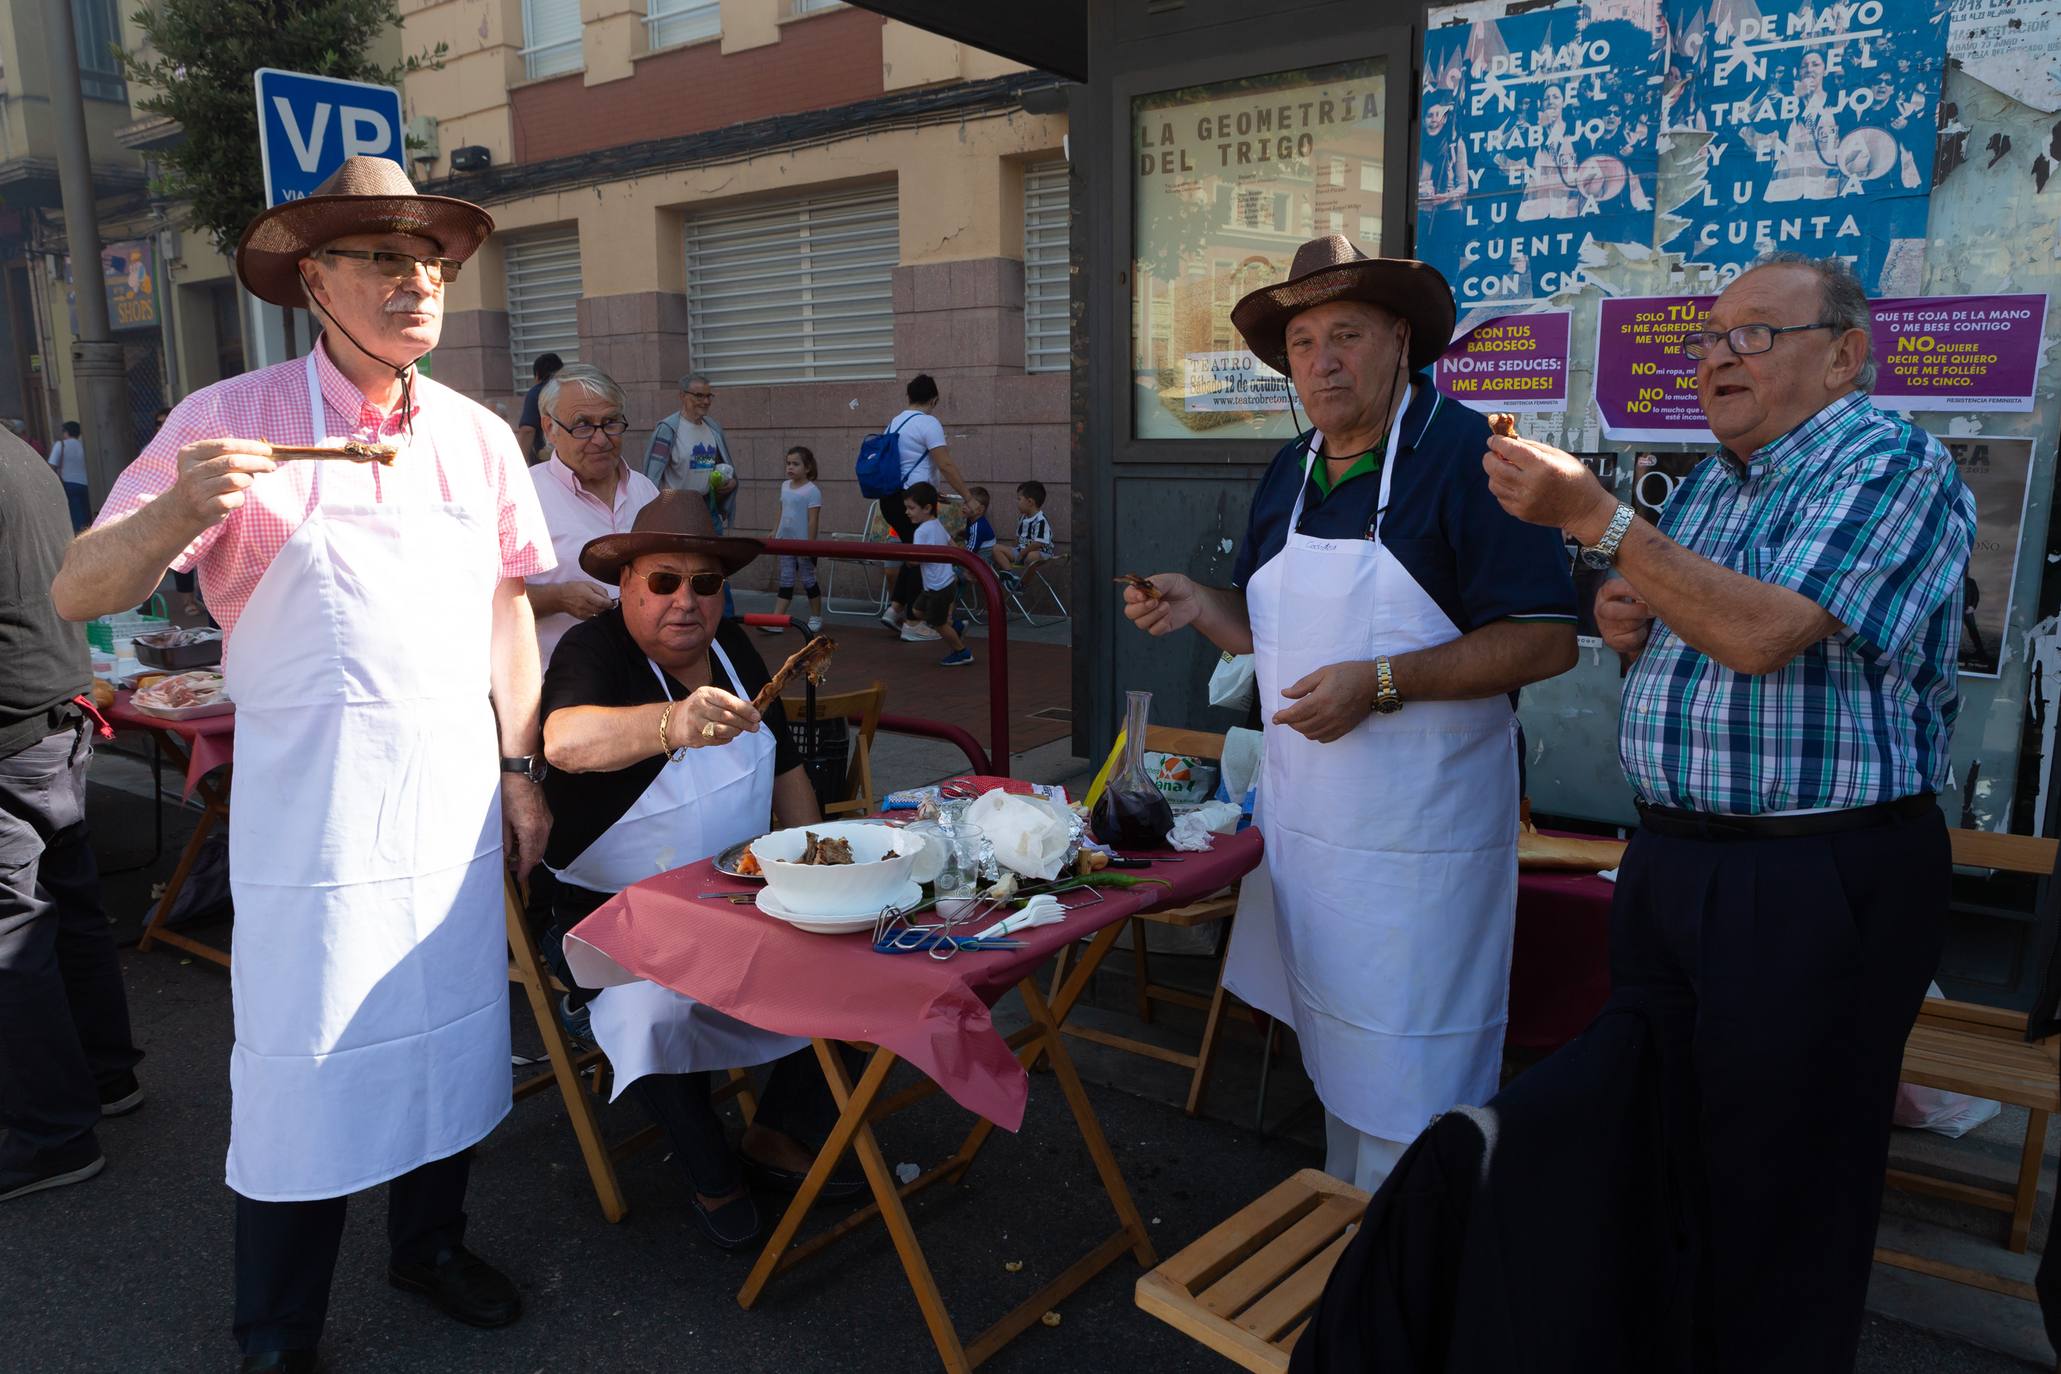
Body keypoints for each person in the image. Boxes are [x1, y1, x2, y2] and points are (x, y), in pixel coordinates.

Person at [51, 156, 553, 1374]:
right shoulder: (231, 421)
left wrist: (523, 762)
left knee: (447, 1030)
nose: (414, 281)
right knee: (306, 1062)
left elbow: (505, 612)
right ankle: (278, 1325)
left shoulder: (479, 437)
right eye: (382, 258)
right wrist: (174, 514)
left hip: (449, 805)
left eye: (427, 261)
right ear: (313, 280)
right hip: (314, 827)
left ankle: (428, 1244)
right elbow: (80, 589)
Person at [1482, 251, 1974, 1369]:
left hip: (1815, 875)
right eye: (1707, 338)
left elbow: (1760, 635)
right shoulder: (1715, 482)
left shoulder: (1890, 459)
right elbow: (1695, 618)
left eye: (1754, 335)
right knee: (1666, 1141)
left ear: (1846, 353)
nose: (1716, 357)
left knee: (1788, 1182)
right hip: (1679, 862)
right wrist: (1630, 612)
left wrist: (1604, 527)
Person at [1122, 235, 1577, 1192]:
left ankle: (1417, 1264)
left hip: (1421, 845)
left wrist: (1381, 683)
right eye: (1300, 344)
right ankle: (1354, 1237)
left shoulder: (1474, 457)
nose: (1321, 362)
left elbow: (1544, 640)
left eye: (1346, 335)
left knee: (1417, 1067)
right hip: (1312, 831)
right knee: (1334, 1049)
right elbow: (1274, 629)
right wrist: (1202, 605)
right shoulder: (1290, 469)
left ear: (1399, 341)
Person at [536, 490, 857, 1249]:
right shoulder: (596, 648)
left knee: (859, 949)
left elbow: (783, 769)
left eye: (705, 584)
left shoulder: (733, 650)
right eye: (664, 582)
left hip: (735, 893)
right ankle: (708, 1164)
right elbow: (563, 741)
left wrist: (820, 863)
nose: (686, 601)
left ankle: (777, 1133)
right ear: (627, 587)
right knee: (656, 1010)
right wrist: (668, 723)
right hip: (609, 914)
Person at [0, 429, 144, 1205]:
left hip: (16, 724)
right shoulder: (19, 452)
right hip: (53, 711)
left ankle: (53, 1133)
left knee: (14, 932)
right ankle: (105, 1074)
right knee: (69, 906)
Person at [524, 364, 657, 666]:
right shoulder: (523, 496)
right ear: (549, 429)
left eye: (610, 423)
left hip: (648, 677)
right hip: (561, 685)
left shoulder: (645, 490)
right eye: (582, 425)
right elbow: (486, 599)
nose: (600, 439)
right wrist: (558, 598)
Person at [875, 374, 972, 634]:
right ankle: (913, 623)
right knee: (925, 558)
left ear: (908, 396)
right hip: (914, 503)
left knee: (913, 555)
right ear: (934, 399)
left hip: (892, 500)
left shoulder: (895, 422)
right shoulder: (929, 423)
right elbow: (945, 464)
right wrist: (968, 496)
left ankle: (895, 609)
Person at [643, 372, 735, 522]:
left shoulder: (713, 428)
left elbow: (709, 465)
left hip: (707, 507)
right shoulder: (668, 430)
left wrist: (730, 482)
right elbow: (653, 474)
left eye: (708, 396)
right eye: (699, 396)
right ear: (682, 396)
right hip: (675, 509)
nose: (705, 401)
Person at [901, 482, 973, 667]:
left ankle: (961, 651)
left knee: (938, 623)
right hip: (941, 584)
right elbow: (952, 545)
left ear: (927, 508)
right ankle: (955, 626)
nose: (907, 512)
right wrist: (965, 564)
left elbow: (917, 560)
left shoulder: (921, 531)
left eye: (911, 508)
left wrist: (906, 559)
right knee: (917, 611)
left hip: (938, 587)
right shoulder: (936, 524)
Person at [765, 445, 824, 635]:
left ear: (807, 468)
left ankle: (816, 616)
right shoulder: (784, 486)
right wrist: (775, 530)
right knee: (786, 579)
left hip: (802, 543)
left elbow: (813, 518)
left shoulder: (812, 491)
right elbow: (781, 510)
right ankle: (776, 620)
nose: (790, 467)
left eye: (795, 464)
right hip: (785, 541)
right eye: (788, 463)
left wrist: (810, 545)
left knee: (808, 580)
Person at [991, 480, 1054, 590]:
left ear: (1030, 502)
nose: (1017, 502)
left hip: (1041, 553)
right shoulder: (1022, 518)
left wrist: (1022, 553)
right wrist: (1013, 550)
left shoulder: (1041, 520)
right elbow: (1017, 537)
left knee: (1031, 557)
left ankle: (1022, 584)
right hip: (1022, 551)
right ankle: (1011, 575)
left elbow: (1038, 544)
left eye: (1019, 499)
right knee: (996, 548)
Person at [514, 351, 563, 463]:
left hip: (546, 459)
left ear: (537, 375)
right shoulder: (569, 390)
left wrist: (522, 463)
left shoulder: (537, 393)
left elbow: (528, 430)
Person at [49, 420, 90, 531]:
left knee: (75, 516)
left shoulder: (60, 445)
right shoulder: (84, 445)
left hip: (68, 484)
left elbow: (52, 465)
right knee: (86, 514)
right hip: (86, 484)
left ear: (66, 432)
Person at [960, 485, 997, 561]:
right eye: (964, 502)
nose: (964, 506)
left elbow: (970, 551)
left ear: (980, 509)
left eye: (968, 504)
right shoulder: (970, 519)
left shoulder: (978, 526)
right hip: (978, 551)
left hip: (985, 556)